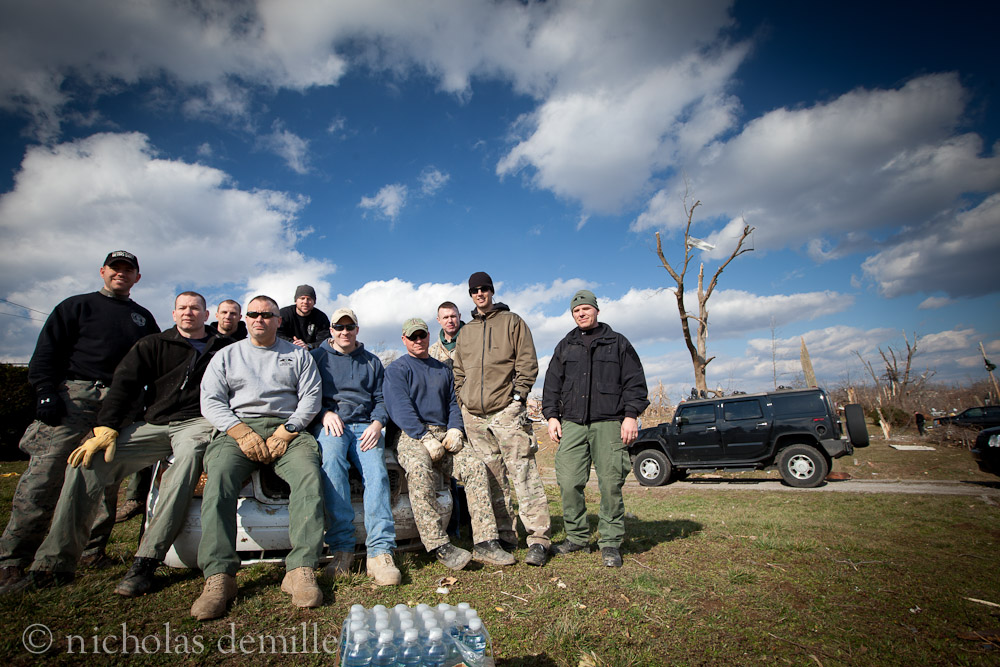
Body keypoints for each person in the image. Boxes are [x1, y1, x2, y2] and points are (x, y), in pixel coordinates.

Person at [7, 292, 232, 595]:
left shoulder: (225, 348)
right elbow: (124, 384)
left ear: (206, 315)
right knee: (87, 462)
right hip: (155, 423)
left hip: (197, 423)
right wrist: (107, 427)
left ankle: (146, 561)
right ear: (174, 314)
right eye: (182, 308)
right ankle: (54, 563)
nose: (188, 313)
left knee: (185, 464)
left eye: (195, 308)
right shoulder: (153, 344)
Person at [0, 250, 159, 589]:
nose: (121, 273)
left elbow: (152, 363)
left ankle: (91, 550)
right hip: (75, 398)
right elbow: (46, 352)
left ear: (137, 277)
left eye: (128, 269)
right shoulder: (76, 306)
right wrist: (45, 391)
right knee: (44, 477)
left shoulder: (142, 318)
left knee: (103, 478)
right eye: (115, 268)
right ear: (103, 271)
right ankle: (13, 559)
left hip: (121, 405)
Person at [192, 295, 324, 620]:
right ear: (245, 320)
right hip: (239, 428)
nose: (259, 319)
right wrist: (239, 432)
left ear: (279, 320)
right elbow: (211, 400)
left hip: (286, 428)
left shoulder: (298, 356)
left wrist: (288, 430)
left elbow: (311, 397)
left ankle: (301, 569)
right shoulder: (226, 356)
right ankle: (219, 575)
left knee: (309, 475)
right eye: (253, 314)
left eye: (267, 315)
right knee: (218, 476)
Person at [383, 318, 513, 570]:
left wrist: (455, 429)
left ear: (428, 336)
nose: (418, 340)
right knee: (419, 470)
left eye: (422, 335)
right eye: (412, 337)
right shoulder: (397, 370)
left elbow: (454, 403)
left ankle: (486, 541)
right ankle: (438, 544)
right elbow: (399, 407)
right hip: (411, 435)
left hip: (444, 433)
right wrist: (424, 437)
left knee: (475, 466)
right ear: (404, 340)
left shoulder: (443, 370)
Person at [543, 290, 649, 568]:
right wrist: (552, 417)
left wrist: (630, 416)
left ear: (596, 311)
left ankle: (610, 541)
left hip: (609, 423)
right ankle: (577, 537)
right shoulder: (565, 345)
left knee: (611, 484)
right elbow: (552, 384)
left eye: (586, 309)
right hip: (572, 424)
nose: (581, 313)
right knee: (568, 482)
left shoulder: (618, 343)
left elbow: (635, 382)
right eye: (576, 310)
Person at [452, 271, 551, 567]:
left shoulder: (512, 322)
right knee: (494, 479)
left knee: (523, 473)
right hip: (475, 417)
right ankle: (506, 535)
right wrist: (463, 401)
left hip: (506, 412)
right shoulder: (466, 332)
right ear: (471, 295)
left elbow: (527, 362)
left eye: (484, 289)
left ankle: (539, 539)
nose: (480, 294)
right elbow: (458, 371)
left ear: (492, 291)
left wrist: (518, 398)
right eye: (474, 290)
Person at [309, 307, 400, 586]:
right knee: (331, 465)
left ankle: (380, 552)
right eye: (339, 327)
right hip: (331, 424)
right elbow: (306, 394)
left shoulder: (371, 362)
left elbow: (382, 399)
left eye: (350, 327)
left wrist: (377, 423)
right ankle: (342, 550)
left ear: (357, 330)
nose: (345, 332)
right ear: (331, 330)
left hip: (365, 426)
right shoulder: (316, 358)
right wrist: (324, 413)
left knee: (378, 473)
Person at [277, 285, 330, 349]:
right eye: (302, 298)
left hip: (312, 352)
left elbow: (326, 341)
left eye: (309, 299)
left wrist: (308, 346)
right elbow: (276, 334)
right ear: (296, 301)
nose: (305, 302)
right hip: (286, 349)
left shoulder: (321, 318)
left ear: (314, 302)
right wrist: (293, 343)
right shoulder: (284, 314)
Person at [428, 301, 463, 369]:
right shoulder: (431, 352)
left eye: (453, 316)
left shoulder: (473, 341)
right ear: (439, 320)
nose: (450, 321)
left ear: (459, 316)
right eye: (445, 317)